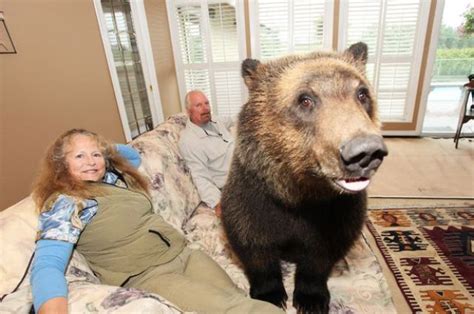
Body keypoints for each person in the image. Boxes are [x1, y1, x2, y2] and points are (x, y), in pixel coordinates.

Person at [30, 128, 282, 314]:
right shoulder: (67, 202)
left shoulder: (111, 179)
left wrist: (104, 147)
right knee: (240, 309)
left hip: (184, 254)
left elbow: (133, 156)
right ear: (61, 164)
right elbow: (48, 263)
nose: (91, 162)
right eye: (79, 156)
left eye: (95, 154)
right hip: (150, 274)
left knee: (236, 296)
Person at [178, 90, 235, 217]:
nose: (205, 109)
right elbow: (200, 177)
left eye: (206, 103)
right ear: (188, 111)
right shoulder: (189, 141)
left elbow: (232, 120)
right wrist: (217, 203)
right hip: (233, 184)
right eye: (198, 105)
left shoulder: (215, 120)